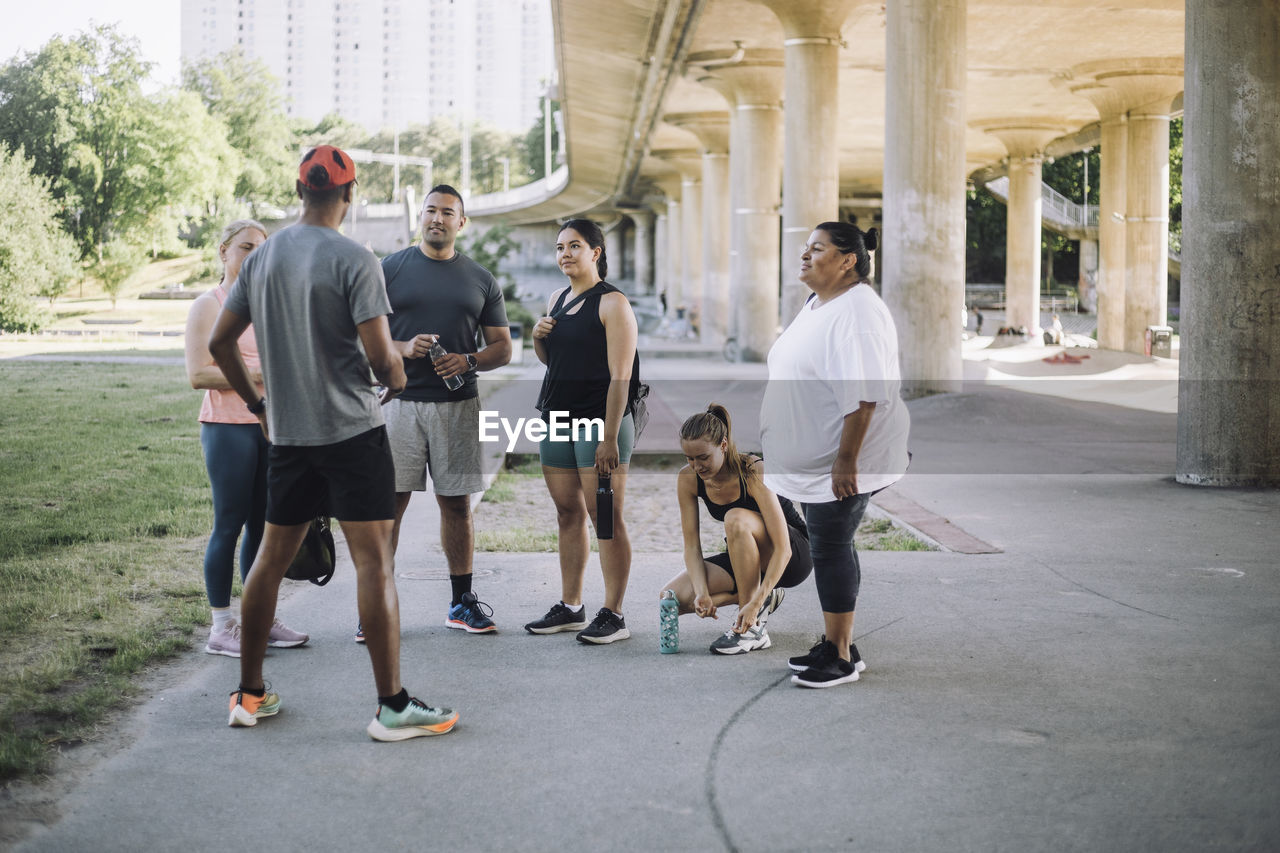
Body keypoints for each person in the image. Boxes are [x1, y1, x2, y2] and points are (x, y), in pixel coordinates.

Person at [209, 144, 459, 740]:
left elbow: (222, 345)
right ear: (349, 196)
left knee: (268, 561)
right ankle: (393, 707)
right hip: (352, 433)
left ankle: (248, 695)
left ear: (300, 191)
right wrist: (397, 379)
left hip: (289, 437)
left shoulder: (262, 258)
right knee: (373, 564)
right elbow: (381, 357)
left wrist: (257, 404)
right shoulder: (355, 257)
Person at [760, 221, 910, 689]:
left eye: (817, 249)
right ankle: (837, 639)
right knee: (833, 542)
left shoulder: (858, 312)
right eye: (806, 248)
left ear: (848, 260)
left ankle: (840, 656)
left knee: (829, 544)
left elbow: (865, 396)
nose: (805, 255)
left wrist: (847, 461)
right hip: (818, 457)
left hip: (843, 460)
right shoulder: (819, 303)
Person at [368, 184, 511, 640]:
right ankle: (377, 606)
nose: (437, 218)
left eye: (448, 212)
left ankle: (461, 602)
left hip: (458, 407)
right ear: (421, 217)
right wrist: (403, 347)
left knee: (457, 506)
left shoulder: (481, 278)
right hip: (399, 405)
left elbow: (503, 348)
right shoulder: (388, 269)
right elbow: (359, 337)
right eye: (430, 210)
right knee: (390, 506)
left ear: (460, 223)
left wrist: (469, 360)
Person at [183, 219, 308, 657]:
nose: (255, 255)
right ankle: (221, 627)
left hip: (274, 429)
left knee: (264, 528)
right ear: (223, 251)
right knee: (229, 525)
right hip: (228, 429)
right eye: (245, 247)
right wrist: (256, 373)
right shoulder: (209, 304)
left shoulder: (270, 306)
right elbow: (198, 374)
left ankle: (261, 618)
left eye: (262, 249)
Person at [524, 219, 638, 644]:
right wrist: (538, 338)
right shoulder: (556, 298)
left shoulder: (613, 304)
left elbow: (620, 378)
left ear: (596, 252)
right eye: (559, 247)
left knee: (604, 516)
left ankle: (615, 614)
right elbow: (555, 363)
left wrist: (609, 438)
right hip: (557, 416)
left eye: (575, 246)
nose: (565, 254)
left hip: (600, 421)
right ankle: (571, 607)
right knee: (567, 513)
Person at [661, 404, 814, 655]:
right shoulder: (688, 478)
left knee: (735, 518)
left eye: (703, 457)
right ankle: (762, 599)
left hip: (792, 554)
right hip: (744, 554)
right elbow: (691, 546)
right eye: (689, 458)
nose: (697, 466)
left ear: (723, 445)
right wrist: (702, 593)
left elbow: (784, 548)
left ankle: (753, 626)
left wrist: (752, 603)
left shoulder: (753, 470)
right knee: (671, 598)